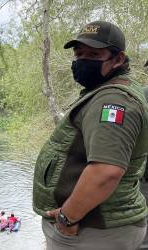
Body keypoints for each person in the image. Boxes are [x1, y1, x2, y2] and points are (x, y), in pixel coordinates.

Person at [32, 20, 148, 250]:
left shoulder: (113, 101)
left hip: (92, 229)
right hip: (96, 225)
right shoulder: (108, 92)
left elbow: (106, 171)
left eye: (94, 55)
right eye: (79, 54)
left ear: (118, 59)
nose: (83, 61)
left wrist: (67, 218)